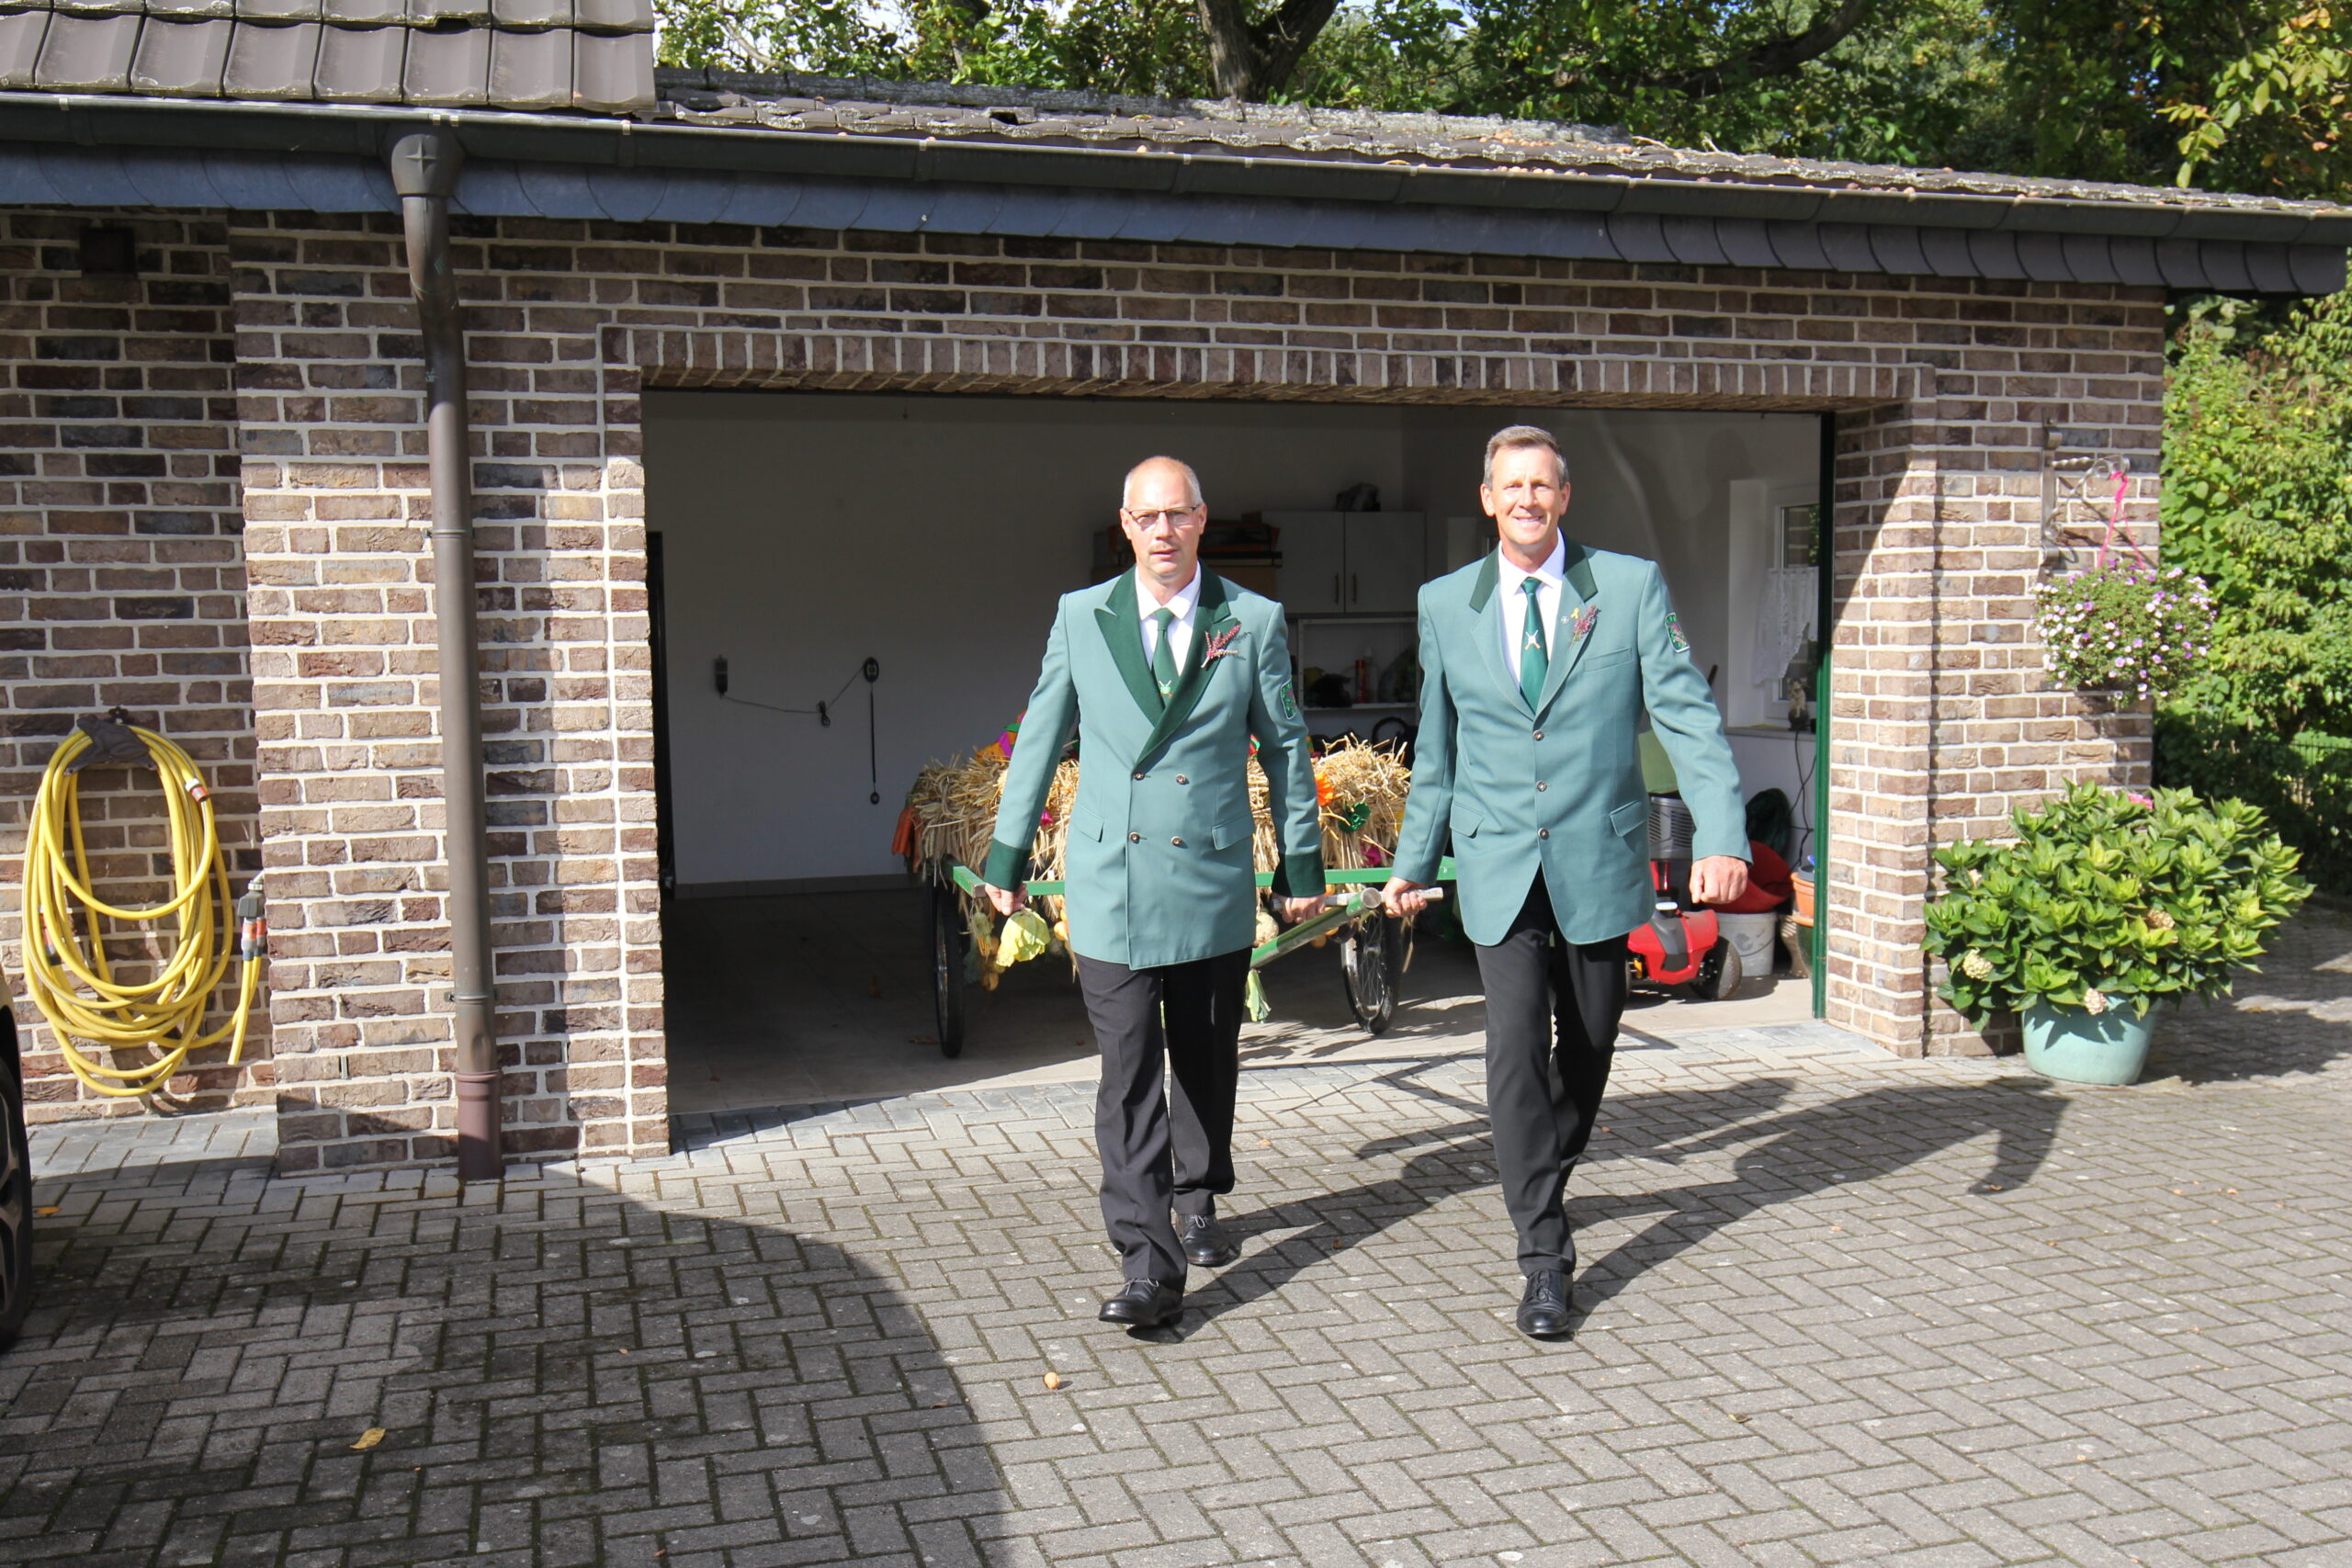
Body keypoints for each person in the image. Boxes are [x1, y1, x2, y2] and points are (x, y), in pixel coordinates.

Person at [1383, 425, 1748, 1338]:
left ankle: (1542, 1164)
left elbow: (1686, 715)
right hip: (1498, 860)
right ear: (1487, 499)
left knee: (1587, 1044)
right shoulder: (1445, 604)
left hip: (1596, 856)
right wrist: (1412, 863)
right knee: (1513, 1049)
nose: (1527, 500)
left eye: (1541, 485)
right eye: (1511, 486)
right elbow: (1437, 750)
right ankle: (1543, 1256)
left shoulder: (1627, 588)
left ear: (1564, 496)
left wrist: (1723, 834)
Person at [980, 456, 1326, 1330]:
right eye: (1146, 517)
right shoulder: (1082, 616)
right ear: (1125, 526)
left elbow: (1286, 748)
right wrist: (1005, 856)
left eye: (1177, 514)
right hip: (1112, 882)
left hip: (1209, 877)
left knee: (1204, 1057)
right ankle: (1147, 1262)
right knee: (1128, 1071)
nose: (1162, 531)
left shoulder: (1250, 619)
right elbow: (1040, 735)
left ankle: (1198, 1189)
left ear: (1202, 519)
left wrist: (1302, 867)